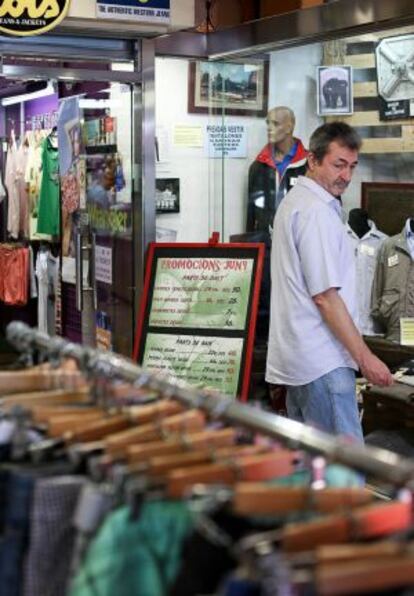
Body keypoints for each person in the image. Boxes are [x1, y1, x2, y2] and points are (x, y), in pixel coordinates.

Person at [265, 121, 393, 442]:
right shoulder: (315, 212)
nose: (347, 176)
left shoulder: (296, 203)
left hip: (301, 362)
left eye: (352, 167)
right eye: (338, 165)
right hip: (323, 363)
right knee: (345, 479)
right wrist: (366, 358)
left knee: (316, 477)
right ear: (312, 160)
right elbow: (325, 297)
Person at [247, 106, 308, 233]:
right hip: (266, 243)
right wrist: (251, 248)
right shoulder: (258, 167)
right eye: (267, 123)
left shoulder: (309, 165)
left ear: (289, 127)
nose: (269, 128)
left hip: (301, 239)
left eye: (275, 124)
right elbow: (251, 214)